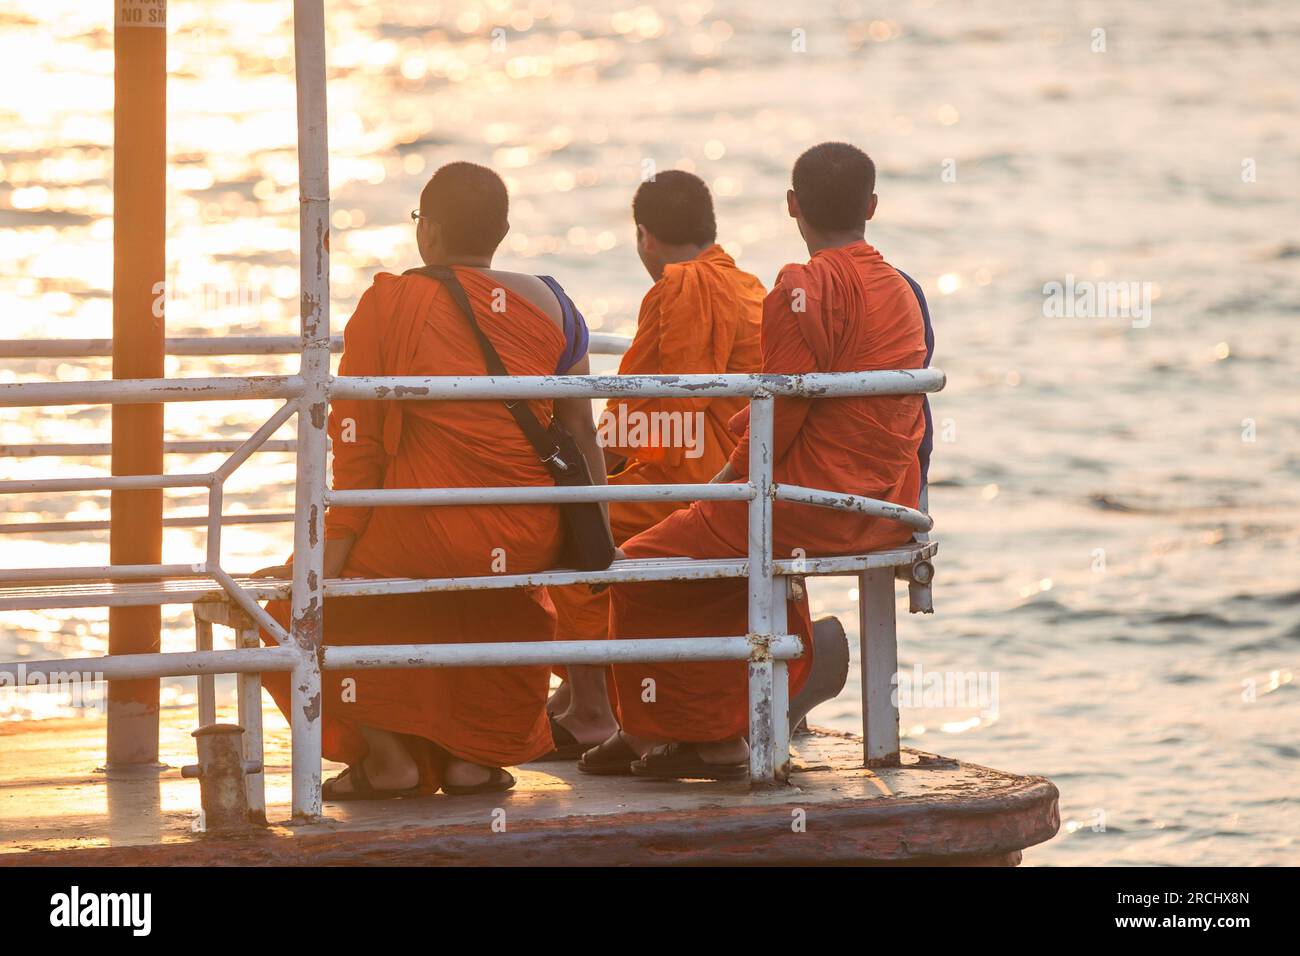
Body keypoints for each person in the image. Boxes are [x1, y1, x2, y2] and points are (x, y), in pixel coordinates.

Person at [579, 142, 932, 780]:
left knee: (636, 566)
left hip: (802, 507)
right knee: (703, 557)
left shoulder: (799, 288)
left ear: (792, 205)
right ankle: (713, 729)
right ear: (872, 207)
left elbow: (780, 416)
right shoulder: (902, 290)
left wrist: (717, 489)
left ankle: (661, 732)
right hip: (882, 508)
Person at [254, 161, 606, 799]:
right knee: (492, 599)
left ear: (431, 234)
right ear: (501, 230)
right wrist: (593, 535)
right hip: (528, 533)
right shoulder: (556, 302)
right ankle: (472, 761)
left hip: (424, 528)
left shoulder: (390, 302)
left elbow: (356, 446)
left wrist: (335, 546)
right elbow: (582, 433)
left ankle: (391, 760)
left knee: (287, 603)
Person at [543, 171, 765, 758]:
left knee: (564, 522)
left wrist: (583, 466)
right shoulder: (747, 284)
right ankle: (588, 696)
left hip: (696, 479)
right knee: (586, 506)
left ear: (645, 236)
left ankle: (591, 704)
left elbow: (651, 408)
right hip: (739, 473)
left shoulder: (678, 287)